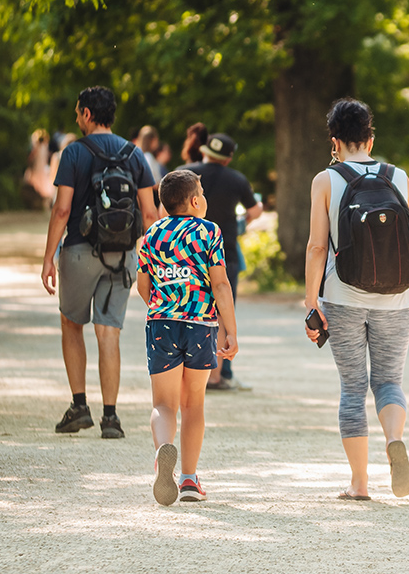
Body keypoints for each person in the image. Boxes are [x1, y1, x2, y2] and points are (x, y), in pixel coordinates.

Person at [303, 98, 409, 500]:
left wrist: (311, 301)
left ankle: (360, 484)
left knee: (353, 389)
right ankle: (394, 441)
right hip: (398, 298)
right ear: (370, 138)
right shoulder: (397, 176)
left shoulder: (326, 180)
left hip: (343, 296)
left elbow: (318, 248)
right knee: (388, 381)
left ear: (335, 142)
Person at [41, 86, 158, 440]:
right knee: (109, 332)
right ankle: (111, 417)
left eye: (79, 113)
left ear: (88, 115)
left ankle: (79, 406)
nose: (77, 119)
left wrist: (49, 258)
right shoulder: (135, 154)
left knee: (71, 323)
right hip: (122, 257)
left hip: (78, 250)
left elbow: (62, 209)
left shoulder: (73, 153)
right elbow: (150, 214)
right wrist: (149, 261)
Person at [137, 169, 240, 505]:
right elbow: (221, 284)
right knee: (193, 403)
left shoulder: (151, 235)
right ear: (196, 200)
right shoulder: (209, 231)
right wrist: (231, 330)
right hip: (200, 325)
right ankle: (189, 479)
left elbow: (142, 285)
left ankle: (164, 450)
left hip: (162, 323)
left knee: (163, 404)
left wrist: (162, 305)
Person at [181, 131, 262, 391]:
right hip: (223, 252)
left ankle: (189, 370)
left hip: (187, 254)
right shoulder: (236, 179)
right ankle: (221, 373)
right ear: (227, 159)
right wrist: (242, 223)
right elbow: (255, 210)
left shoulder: (185, 173)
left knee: (188, 309)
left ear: (205, 151)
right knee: (223, 312)